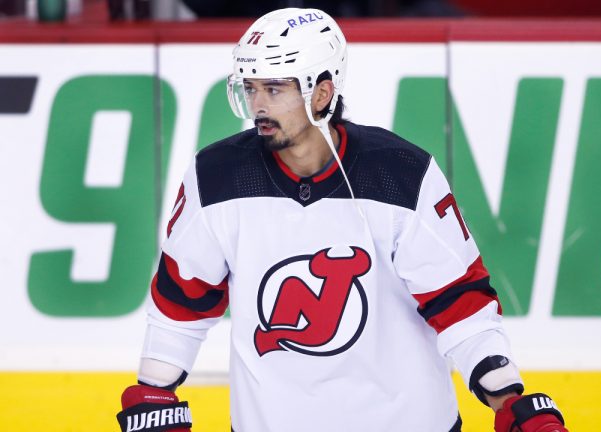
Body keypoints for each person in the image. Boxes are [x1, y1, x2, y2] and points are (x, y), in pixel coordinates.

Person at [116, 7, 568, 432]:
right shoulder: (216, 176)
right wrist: (155, 392)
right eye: (250, 88)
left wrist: (506, 398)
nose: (258, 106)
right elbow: (182, 298)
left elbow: (459, 303)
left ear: (322, 92)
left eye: (274, 89)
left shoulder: (402, 174)